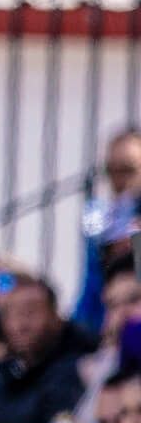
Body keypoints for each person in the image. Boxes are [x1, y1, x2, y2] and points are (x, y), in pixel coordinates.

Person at [0, 272, 86, 423]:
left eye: (30, 312)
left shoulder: (78, 366)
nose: (20, 325)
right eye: (11, 314)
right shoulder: (6, 375)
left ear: (56, 316)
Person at [75, 129, 141, 337]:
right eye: (111, 170)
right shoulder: (99, 216)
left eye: (127, 169)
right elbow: (91, 282)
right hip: (103, 324)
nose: (118, 179)